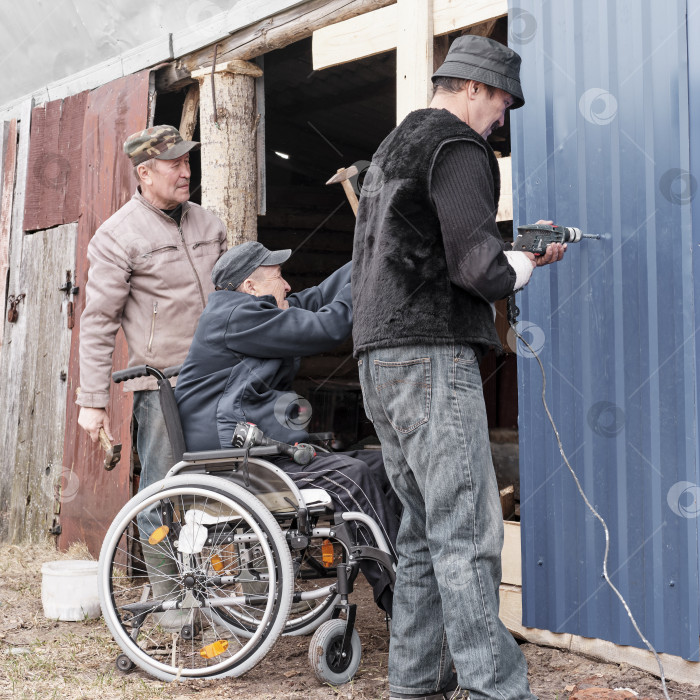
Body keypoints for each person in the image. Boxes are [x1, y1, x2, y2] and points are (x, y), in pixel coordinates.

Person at [352, 36, 566, 700]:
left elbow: (429, 246)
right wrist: (527, 262)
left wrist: (508, 244)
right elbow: (481, 272)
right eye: (501, 104)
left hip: (379, 361)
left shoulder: (397, 148)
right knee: (469, 535)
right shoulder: (459, 147)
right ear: (474, 88)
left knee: (421, 535)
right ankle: (495, 691)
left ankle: (417, 686)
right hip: (429, 359)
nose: (501, 121)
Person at [175, 241, 401, 613]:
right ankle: (402, 599)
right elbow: (327, 326)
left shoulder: (253, 312)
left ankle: (408, 575)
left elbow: (315, 298)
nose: (288, 285)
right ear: (249, 286)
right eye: (278, 277)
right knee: (353, 475)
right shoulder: (237, 317)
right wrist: (369, 278)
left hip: (257, 453)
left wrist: (369, 251)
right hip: (238, 461)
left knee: (390, 467)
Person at [76, 125, 227, 624]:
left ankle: (233, 593)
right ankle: (174, 602)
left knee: (230, 485)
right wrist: (92, 400)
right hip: (163, 384)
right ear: (144, 173)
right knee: (164, 491)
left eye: (188, 162)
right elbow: (97, 322)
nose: (186, 171)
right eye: (174, 164)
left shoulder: (210, 224)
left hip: (222, 377)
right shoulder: (118, 236)